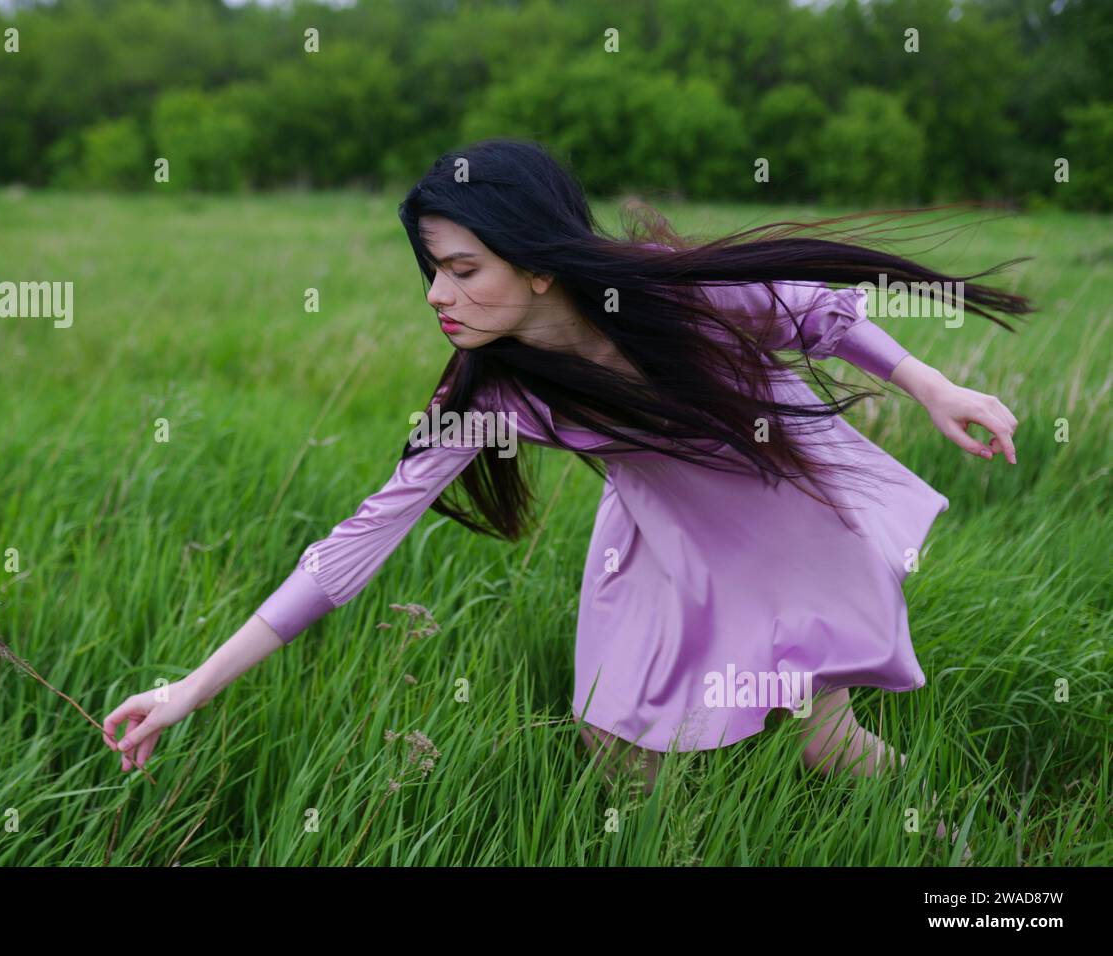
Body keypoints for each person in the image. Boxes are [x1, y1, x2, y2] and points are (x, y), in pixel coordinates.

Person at [103, 139, 1030, 857]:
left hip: (791, 532)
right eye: (431, 270)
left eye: (461, 269)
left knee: (825, 742)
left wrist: (934, 386)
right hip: (661, 549)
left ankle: (962, 842)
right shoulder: (494, 393)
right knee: (611, 738)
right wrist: (189, 688)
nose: (436, 295)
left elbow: (818, 313)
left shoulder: (671, 302)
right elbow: (356, 544)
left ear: (537, 264)